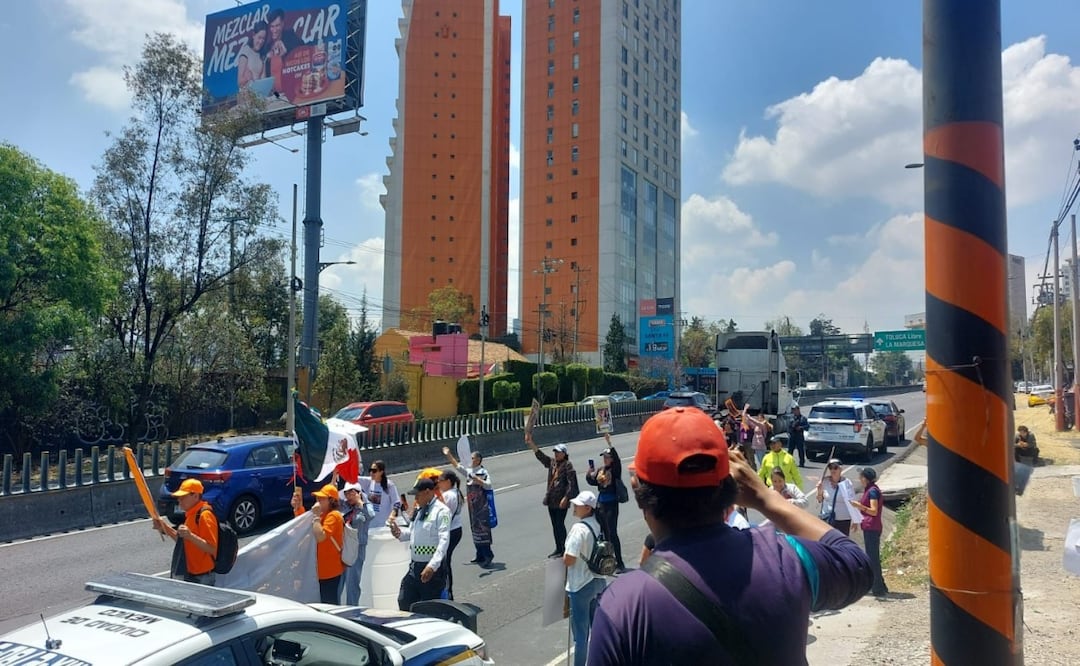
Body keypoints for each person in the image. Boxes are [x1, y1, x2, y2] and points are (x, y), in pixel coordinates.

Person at [588, 407, 872, 665]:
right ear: (732, 484)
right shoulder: (785, 559)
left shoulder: (623, 606)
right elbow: (855, 563)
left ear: (638, 487)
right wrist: (765, 498)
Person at [389, 477, 451, 611]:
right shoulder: (419, 511)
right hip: (415, 567)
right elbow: (412, 534)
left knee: (429, 608)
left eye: (417, 495)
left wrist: (432, 566)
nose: (415, 499)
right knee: (404, 600)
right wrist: (399, 533)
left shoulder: (441, 511)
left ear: (428, 492)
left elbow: (444, 541)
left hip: (431, 570)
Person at [563, 490, 608, 666]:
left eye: (578, 505)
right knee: (597, 629)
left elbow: (569, 559)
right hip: (598, 581)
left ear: (588, 508)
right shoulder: (598, 524)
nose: (574, 507)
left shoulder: (578, 529)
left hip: (580, 585)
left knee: (580, 636)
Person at [153, 479, 219, 585]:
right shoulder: (191, 514)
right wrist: (164, 527)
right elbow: (183, 541)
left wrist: (190, 536)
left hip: (203, 577)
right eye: (179, 497)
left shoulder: (205, 515)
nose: (179, 500)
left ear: (196, 496)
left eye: (183, 497)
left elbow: (212, 548)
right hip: (190, 573)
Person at [525, 432, 580, 557]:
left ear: (564, 454)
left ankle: (565, 548)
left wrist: (566, 498)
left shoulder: (568, 465)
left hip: (562, 501)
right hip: (551, 500)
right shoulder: (553, 463)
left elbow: (572, 484)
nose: (556, 454)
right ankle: (558, 548)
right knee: (555, 525)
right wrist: (531, 443)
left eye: (558, 452)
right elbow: (541, 456)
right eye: (555, 452)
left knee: (560, 525)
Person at [292, 483, 345, 604]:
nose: (318, 501)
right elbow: (304, 527)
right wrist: (298, 508)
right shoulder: (322, 515)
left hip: (329, 571)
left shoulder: (334, 516)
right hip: (318, 571)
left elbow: (320, 536)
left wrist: (316, 516)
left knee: (330, 605)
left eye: (322, 498)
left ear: (331, 501)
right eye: (317, 498)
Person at [442, 446, 495, 568]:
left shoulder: (483, 472)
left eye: (472, 458)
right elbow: (457, 466)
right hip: (473, 507)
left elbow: (488, 485)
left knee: (483, 531)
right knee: (475, 530)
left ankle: (488, 555)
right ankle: (479, 554)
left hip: (482, 507)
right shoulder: (469, 472)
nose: (470, 459)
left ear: (478, 460)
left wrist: (478, 480)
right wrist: (448, 454)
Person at [585, 435, 627, 572]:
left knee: (612, 533)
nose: (605, 459)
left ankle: (620, 563)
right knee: (603, 533)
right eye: (604, 457)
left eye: (607, 457)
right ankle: (607, 561)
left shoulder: (615, 471)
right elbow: (592, 482)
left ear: (612, 459)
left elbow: (618, 460)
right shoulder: (601, 470)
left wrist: (610, 443)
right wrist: (589, 474)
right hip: (601, 504)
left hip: (611, 504)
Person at [850, 467, 888, 597]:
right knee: (873, 556)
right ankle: (880, 585)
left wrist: (859, 506)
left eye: (861, 477)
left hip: (872, 527)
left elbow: (873, 511)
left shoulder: (872, 492)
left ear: (865, 478)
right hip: (869, 527)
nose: (859, 479)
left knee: (873, 558)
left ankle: (877, 588)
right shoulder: (870, 489)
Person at [339, 481, 373, 605]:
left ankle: (352, 610)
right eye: (347, 493)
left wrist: (360, 502)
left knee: (352, 582)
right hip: (344, 547)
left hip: (358, 548)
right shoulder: (345, 506)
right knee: (339, 581)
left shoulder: (364, 507)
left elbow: (371, 515)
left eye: (352, 493)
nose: (349, 496)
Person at [815, 459, 861, 536]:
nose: (833, 470)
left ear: (840, 469)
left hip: (842, 520)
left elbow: (852, 501)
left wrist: (855, 520)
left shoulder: (846, 482)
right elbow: (819, 500)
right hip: (827, 518)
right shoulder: (824, 481)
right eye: (830, 468)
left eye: (835, 468)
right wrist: (819, 490)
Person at [437, 470, 464, 599]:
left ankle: (447, 592)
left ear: (448, 482)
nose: (438, 483)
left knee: (445, 563)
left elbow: (440, 512)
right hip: (456, 529)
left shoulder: (448, 495)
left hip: (450, 531)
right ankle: (447, 591)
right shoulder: (457, 492)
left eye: (440, 481)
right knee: (446, 561)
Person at [359, 460, 399, 529]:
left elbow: (396, 503)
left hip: (384, 525)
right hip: (371, 526)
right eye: (370, 470)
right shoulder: (368, 482)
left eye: (374, 471)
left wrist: (392, 515)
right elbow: (352, 478)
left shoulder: (389, 485)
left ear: (381, 472)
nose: (371, 473)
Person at [236, 21, 268, 89]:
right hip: (247, 95)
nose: (261, 41)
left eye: (263, 39)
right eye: (259, 38)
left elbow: (263, 78)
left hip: (259, 95)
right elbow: (239, 82)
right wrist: (247, 78)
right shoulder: (246, 51)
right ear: (253, 35)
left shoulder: (262, 55)